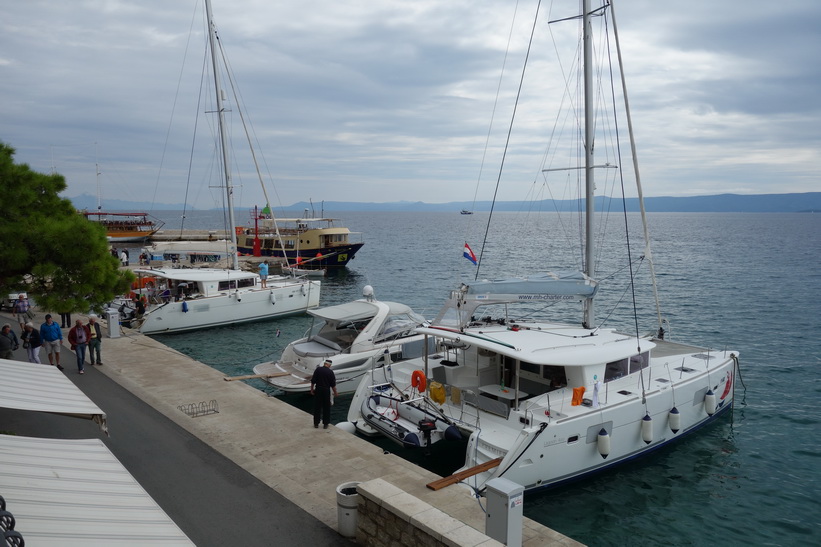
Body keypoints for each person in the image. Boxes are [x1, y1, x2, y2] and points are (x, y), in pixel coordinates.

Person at [310, 359, 338, 429]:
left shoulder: (318, 370)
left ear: (324, 364)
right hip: (326, 390)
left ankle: (316, 423)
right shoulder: (330, 372)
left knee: (317, 407)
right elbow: (333, 385)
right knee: (326, 407)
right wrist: (335, 393)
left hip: (318, 389)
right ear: (329, 365)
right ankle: (325, 424)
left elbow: (313, 381)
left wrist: (311, 389)